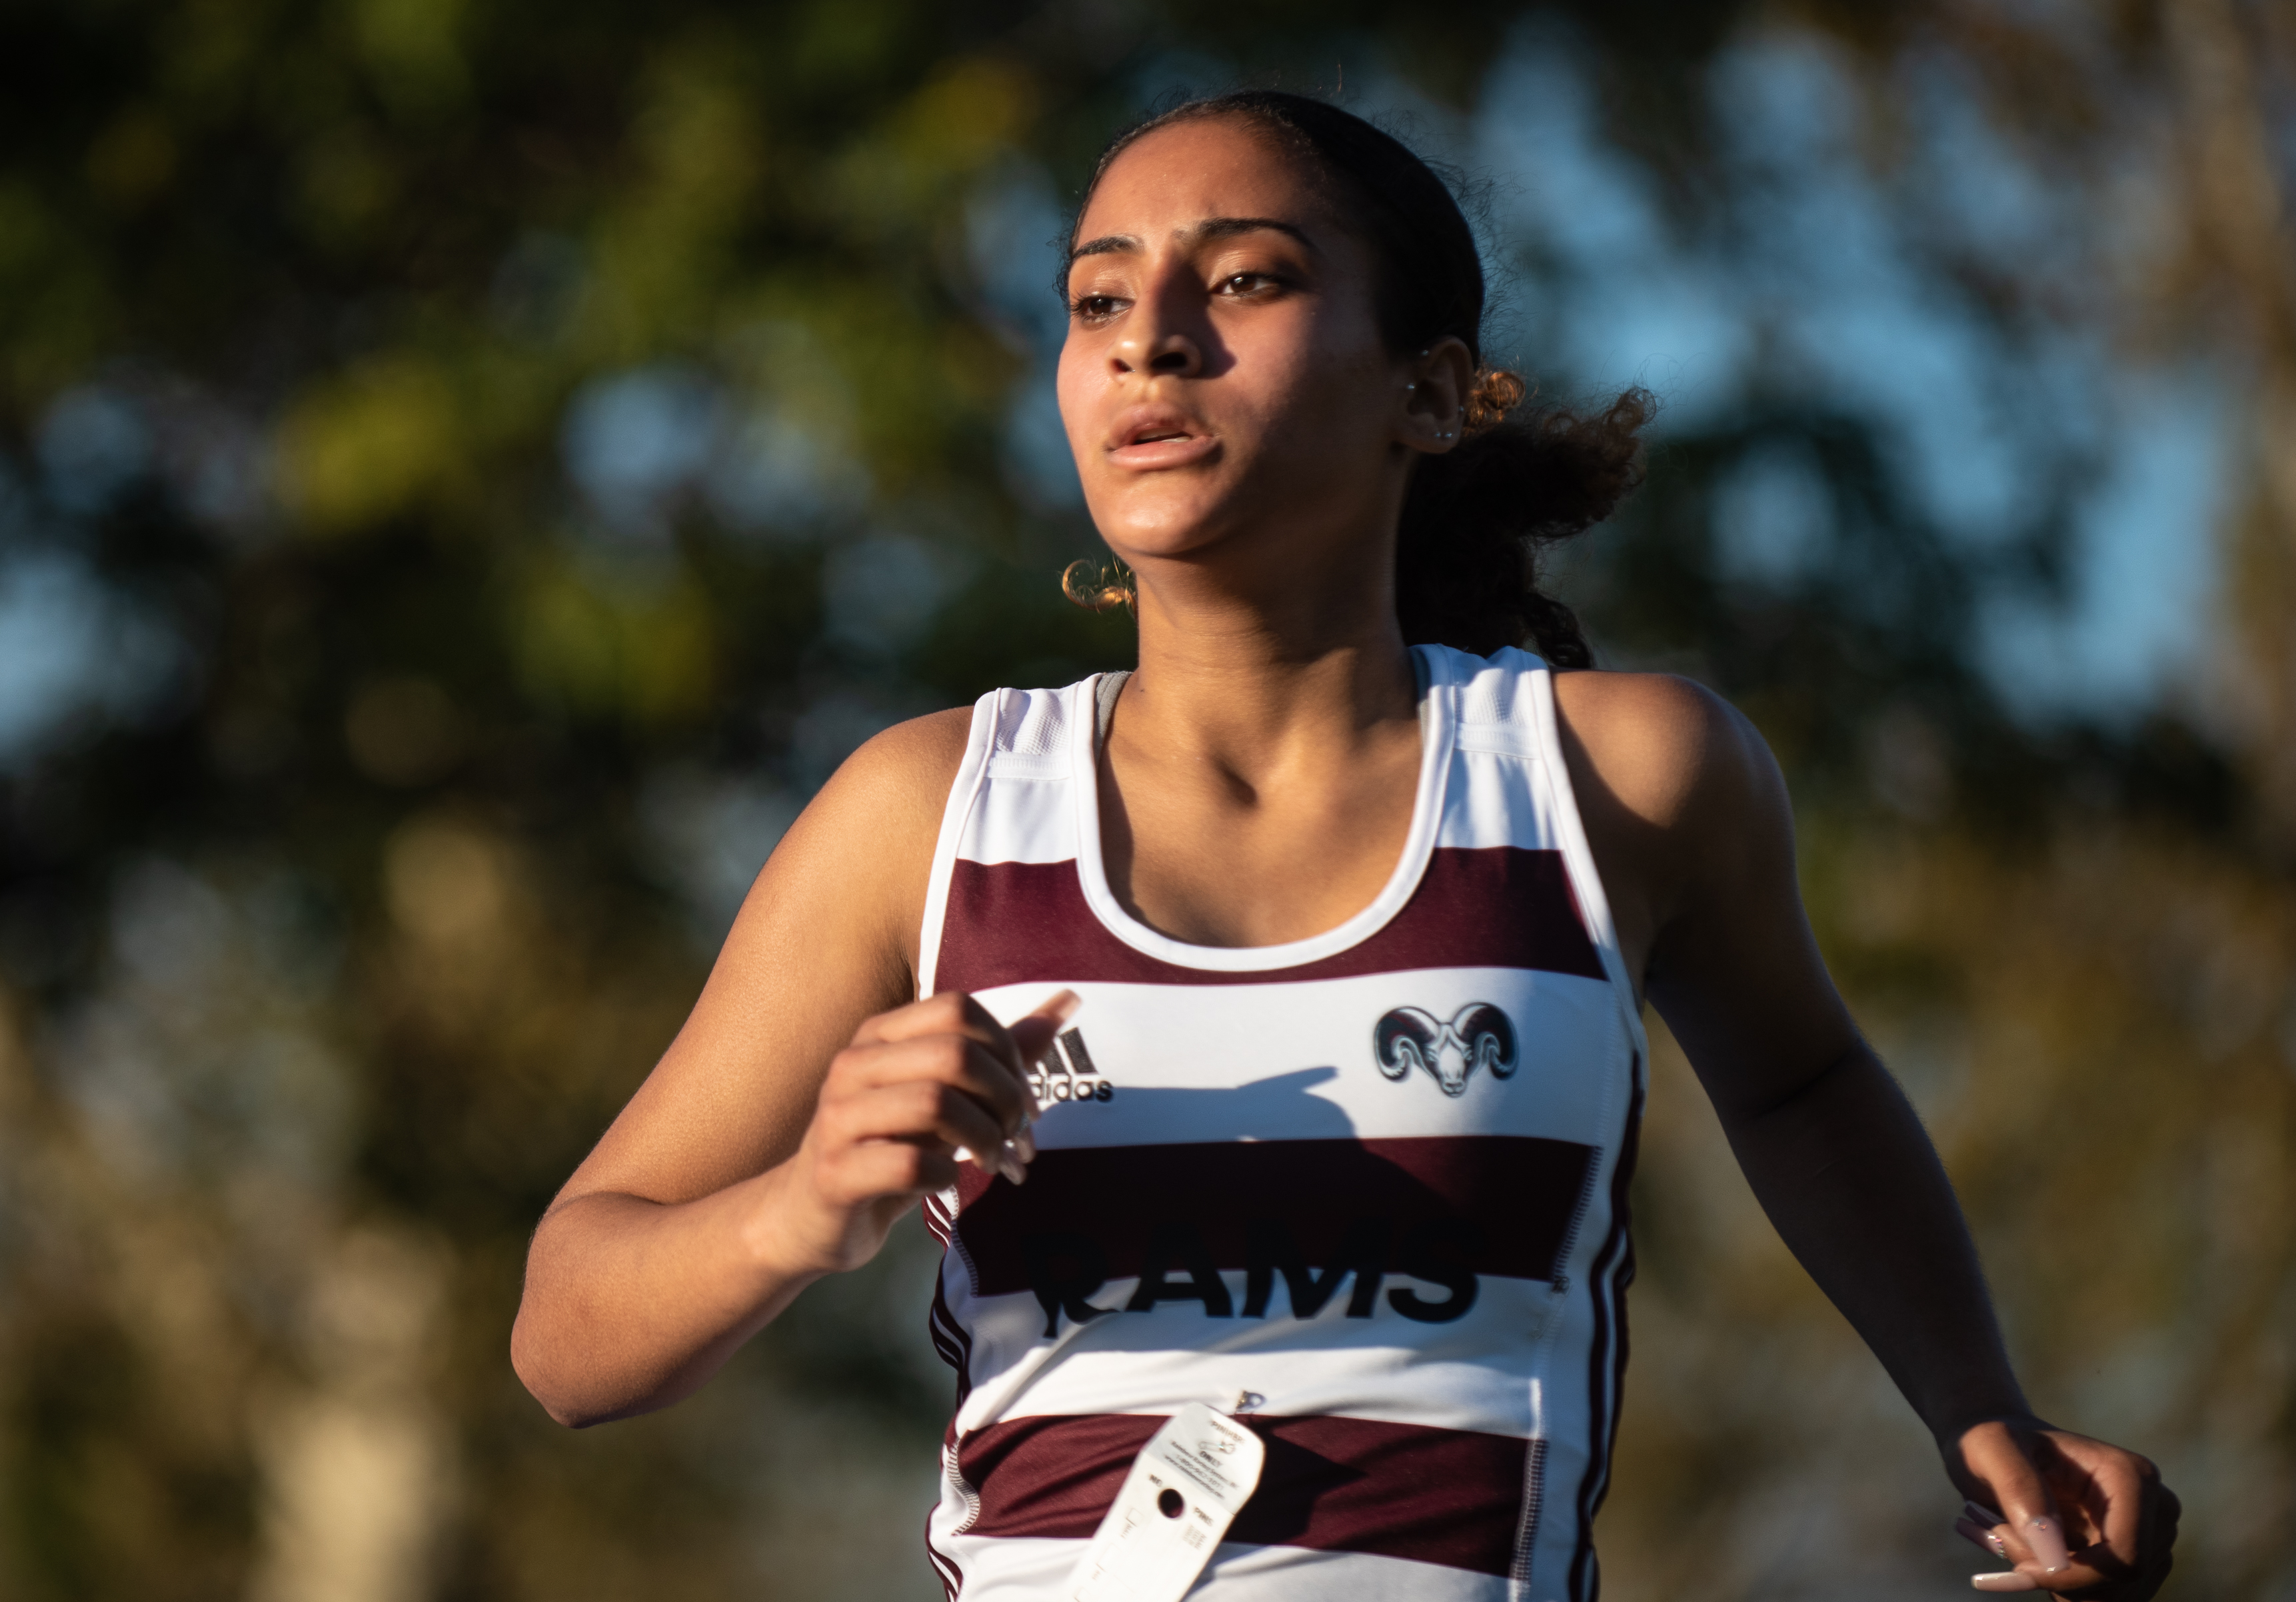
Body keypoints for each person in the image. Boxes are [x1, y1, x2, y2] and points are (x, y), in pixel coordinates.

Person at [511, 89, 2179, 1601]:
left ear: (1432, 392)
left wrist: (1982, 1407)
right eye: (1098, 299)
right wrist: (803, 1204)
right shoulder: (925, 809)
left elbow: (1801, 1084)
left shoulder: (1622, 777)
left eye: (1242, 281)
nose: (1150, 341)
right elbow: (567, 1337)